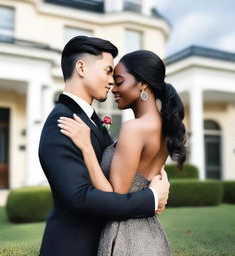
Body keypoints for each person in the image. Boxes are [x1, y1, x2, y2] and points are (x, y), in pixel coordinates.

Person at [38, 36, 170, 256]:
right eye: (108, 71)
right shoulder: (62, 122)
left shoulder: (92, 121)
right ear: (81, 68)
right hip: (73, 247)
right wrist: (150, 199)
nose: (112, 81)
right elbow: (79, 197)